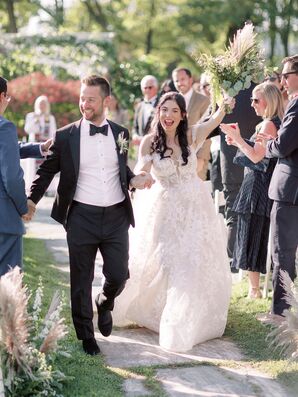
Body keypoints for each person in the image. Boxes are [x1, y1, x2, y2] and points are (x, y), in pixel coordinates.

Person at [27, 75, 154, 356]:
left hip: (116, 216)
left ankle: (105, 302)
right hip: (81, 215)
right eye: (82, 98)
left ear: (106, 101)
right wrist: (31, 200)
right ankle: (86, 336)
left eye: (91, 99)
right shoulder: (65, 135)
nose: (84, 103)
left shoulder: (120, 133)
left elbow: (120, 170)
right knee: (80, 278)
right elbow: (47, 171)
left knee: (119, 274)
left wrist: (134, 179)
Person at [113, 92, 233, 352]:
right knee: (165, 261)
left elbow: (214, 120)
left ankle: (185, 316)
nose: (168, 116)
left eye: (174, 111)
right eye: (164, 110)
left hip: (195, 210)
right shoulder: (149, 143)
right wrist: (138, 180)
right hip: (165, 209)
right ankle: (158, 311)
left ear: (182, 115)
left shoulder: (191, 135)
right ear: (158, 112)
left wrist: (226, 100)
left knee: (191, 262)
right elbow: (140, 172)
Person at [220, 83, 284, 298]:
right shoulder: (274, 123)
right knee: (255, 234)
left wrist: (238, 139)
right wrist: (240, 142)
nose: (252, 104)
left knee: (252, 235)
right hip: (263, 184)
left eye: (256, 100)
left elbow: (256, 157)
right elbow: (260, 153)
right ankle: (255, 288)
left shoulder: (267, 124)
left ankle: (254, 290)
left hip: (259, 186)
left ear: (269, 100)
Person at [259, 55, 298, 320]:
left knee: (282, 252)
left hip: (290, 189)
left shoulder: (296, 107)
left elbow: (284, 146)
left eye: (286, 74)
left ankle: (281, 312)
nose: (282, 80)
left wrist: (268, 144)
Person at [0, 76, 29, 276]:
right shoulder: (4, 127)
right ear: (2, 96)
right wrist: (23, 207)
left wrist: (38, 148)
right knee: (7, 290)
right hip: (4, 222)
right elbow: (11, 178)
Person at [172, 67, 210, 180]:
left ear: (190, 79)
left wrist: (202, 158)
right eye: (176, 80)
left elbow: (207, 131)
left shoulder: (203, 100)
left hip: (196, 155)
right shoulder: (171, 101)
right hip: (175, 157)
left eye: (182, 79)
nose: (179, 83)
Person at [132, 75, 159, 145]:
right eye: (145, 88)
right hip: (141, 147)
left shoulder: (162, 104)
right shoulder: (139, 106)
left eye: (150, 87)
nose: (147, 90)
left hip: (157, 145)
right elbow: (135, 126)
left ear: (156, 88)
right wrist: (135, 136)